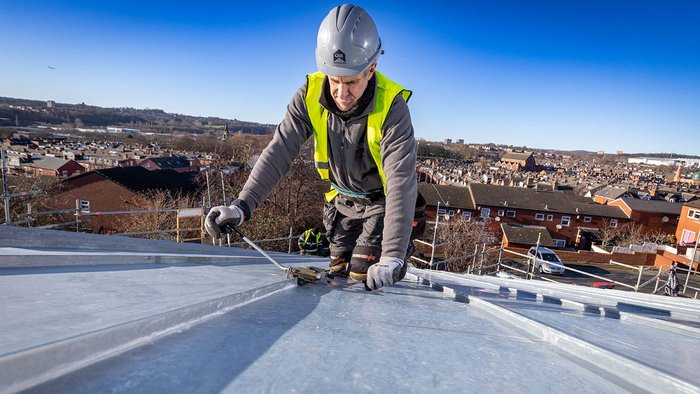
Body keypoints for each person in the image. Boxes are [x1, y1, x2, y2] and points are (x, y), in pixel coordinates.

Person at [205, 4, 417, 290]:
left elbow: (401, 181)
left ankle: (401, 251)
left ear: (372, 68)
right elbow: (279, 151)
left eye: (352, 81)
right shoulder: (308, 95)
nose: (342, 93)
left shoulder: (392, 107)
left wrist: (392, 255)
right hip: (342, 201)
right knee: (339, 271)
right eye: (335, 81)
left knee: (361, 276)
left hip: (380, 203)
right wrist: (241, 206)